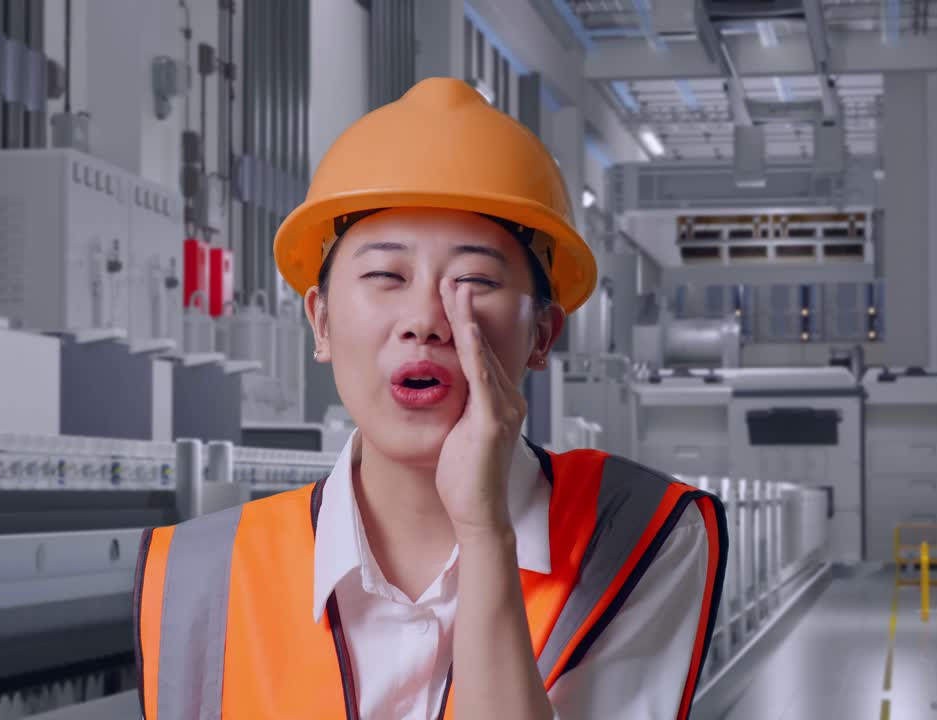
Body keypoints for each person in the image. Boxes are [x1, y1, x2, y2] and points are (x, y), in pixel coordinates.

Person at [133, 77, 728, 719]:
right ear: (322, 322)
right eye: (385, 275)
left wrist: (485, 535)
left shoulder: (640, 534)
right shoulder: (199, 575)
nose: (426, 319)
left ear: (542, 334)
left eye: (474, 279)